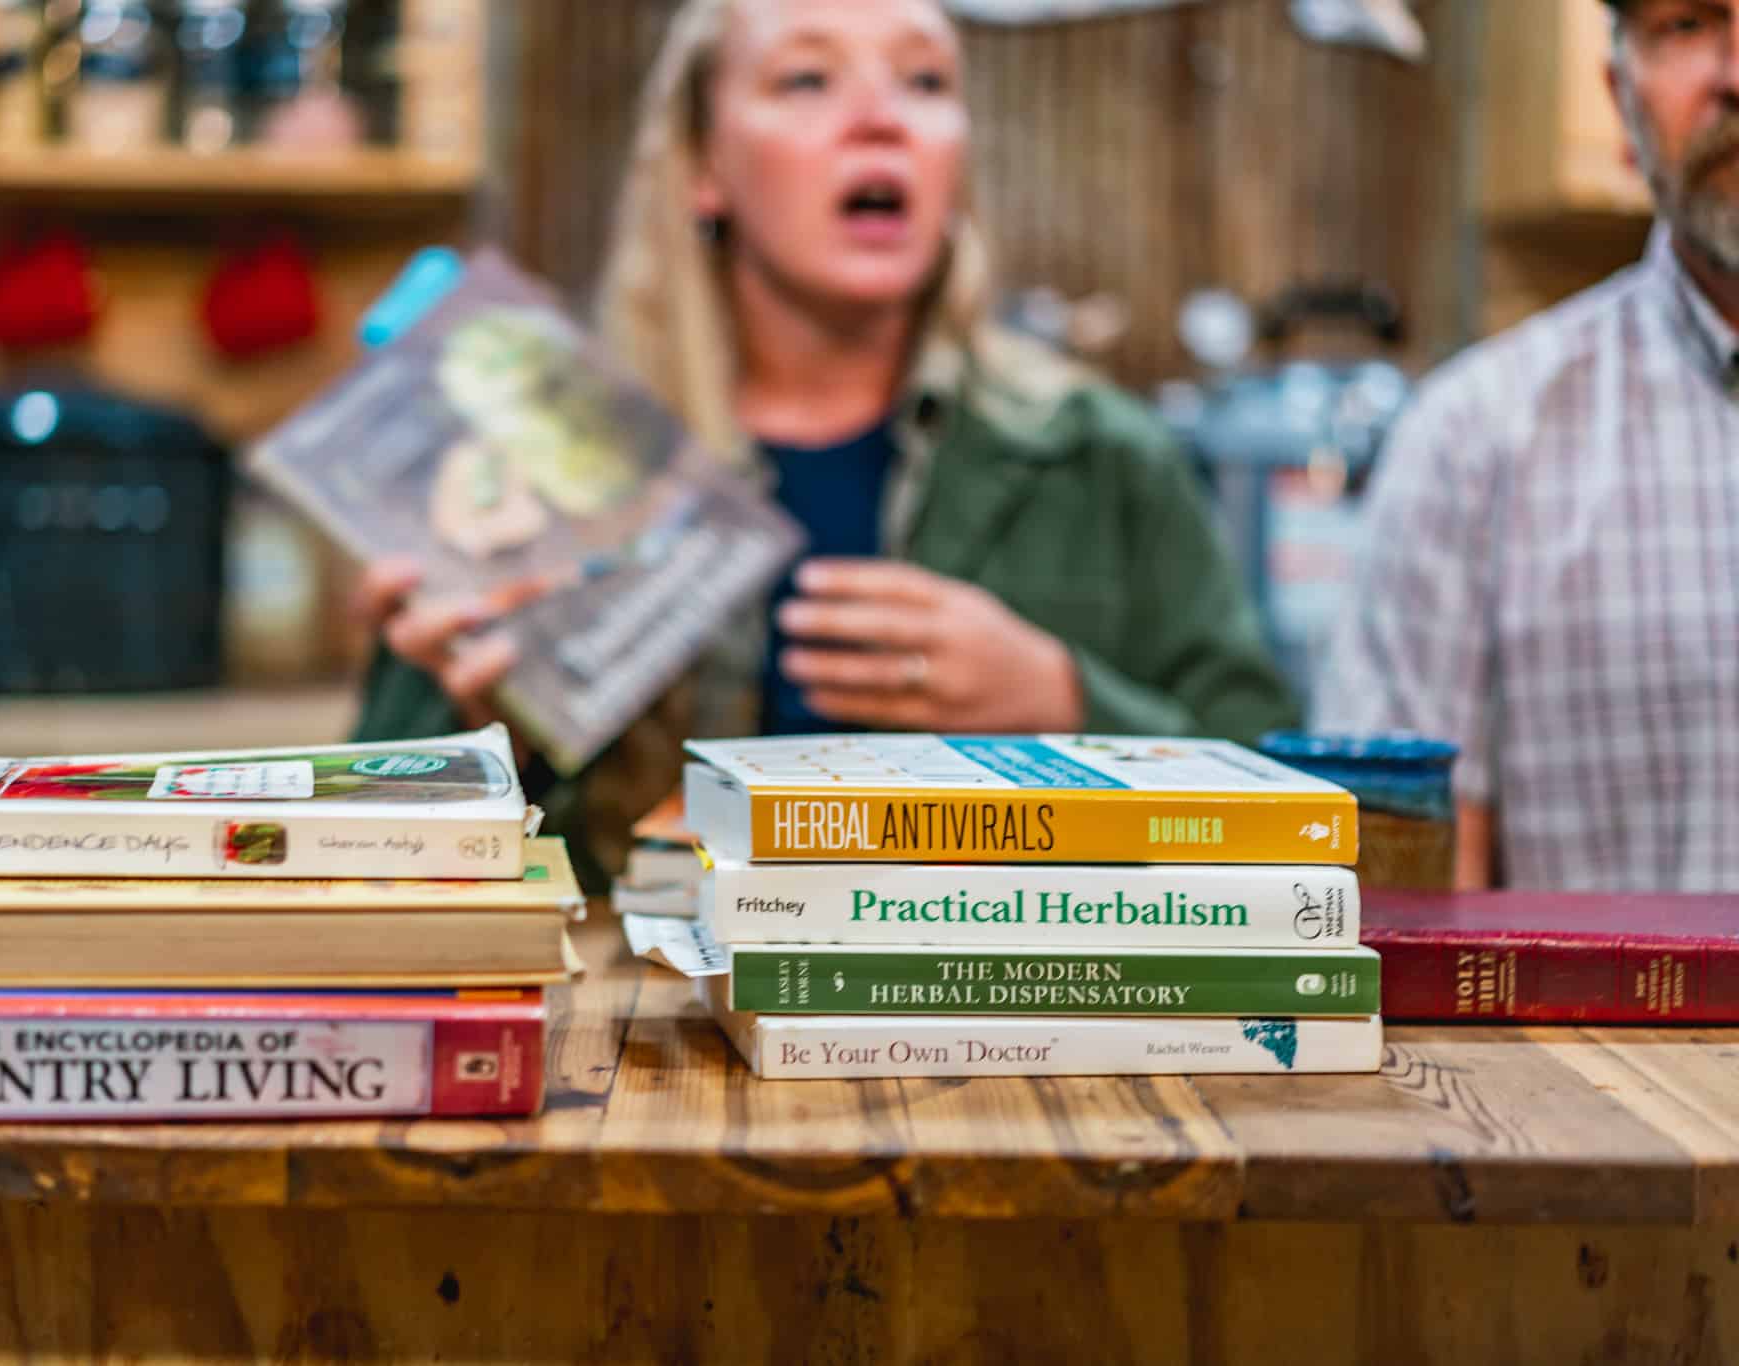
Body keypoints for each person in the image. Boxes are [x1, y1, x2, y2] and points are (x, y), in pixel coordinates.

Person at [354, 0, 1298, 877]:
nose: (881, 117)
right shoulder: (532, 458)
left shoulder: (1100, 454)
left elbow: (1291, 818)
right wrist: (488, 743)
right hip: (634, 1042)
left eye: (925, 82)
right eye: (807, 80)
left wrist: (1064, 704)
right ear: (702, 167)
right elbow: (360, 859)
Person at [1317, 0, 1739, 891]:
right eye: (1687, 23)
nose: (1735, 74)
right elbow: (1406, 919)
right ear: (1619, 96)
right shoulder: (1471, 444)